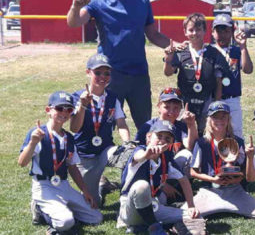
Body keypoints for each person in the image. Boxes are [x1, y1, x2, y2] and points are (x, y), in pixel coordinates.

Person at [67, 0, 171, 129]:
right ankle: (108, 156)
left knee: (144, 125)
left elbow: (153, 35)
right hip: (109, 76)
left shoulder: (142, 1)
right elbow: (74, 22)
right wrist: (75, 6)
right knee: (105, 125)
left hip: (139, 75)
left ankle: (144, 155)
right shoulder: (98, 1)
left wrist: (175, 45)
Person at [18, 91, 102, 234]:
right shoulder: (38, 133)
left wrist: (85, 191)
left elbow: (72, 166)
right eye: (59, 108)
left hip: (63, 184)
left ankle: (59, 210)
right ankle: (41, 210)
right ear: (48, 110)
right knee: (66, 221)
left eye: (68, 109)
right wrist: (32, 143)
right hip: (44, 186)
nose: (64, 112)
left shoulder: (68, 137)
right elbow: (22, 163)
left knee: (96, 217)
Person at [118, 119, 202, 234]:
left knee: (194, 216)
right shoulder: (140, 150)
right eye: (159, 136)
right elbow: (139, 157)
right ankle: (151, 227)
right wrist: (147, 154)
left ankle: (172, 227)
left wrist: (191, 206)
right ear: (148, 137)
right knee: (142, 186)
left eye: (167, 139)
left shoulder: (166, 159)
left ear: (171, 143)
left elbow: (184, 180)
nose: (162, 141)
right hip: (131, 209)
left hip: (154, 205)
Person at [70, 53, 130, 207]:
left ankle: (129, 195)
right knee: (94, 204)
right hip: (85, 155)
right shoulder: (77, 97)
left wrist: (128, 143)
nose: (103, 77)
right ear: (88, 72)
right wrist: (82, 106)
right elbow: (74, 129)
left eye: (107, 73)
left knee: (130, 157)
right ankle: (102, 186)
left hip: (105, 151)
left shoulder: (112, 97)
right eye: (98, 73)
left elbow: (121, 124)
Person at [188, 101, 255, 219]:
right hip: (209, 190)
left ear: (229, 119)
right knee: (186, 215)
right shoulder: (202, 143)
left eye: (223, 116)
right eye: (215, 117)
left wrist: (239, 178)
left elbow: (245, 171)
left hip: (234, 190)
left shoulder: (237, 141)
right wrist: (213, 179)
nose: (220, 120)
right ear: (209, 119)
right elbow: (193, 172)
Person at [164, 13, 229, 135]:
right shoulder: (180, 52)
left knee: (206, 134)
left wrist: (217, 103)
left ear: (205, 31)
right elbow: (168, 73)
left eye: (198, 30)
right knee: (184, 132)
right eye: (191, 30)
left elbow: (219, 81)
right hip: (185, 100)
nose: (194, 33)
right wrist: (168, 59)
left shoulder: (213, 53)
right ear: (185, 32)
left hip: (207, 100)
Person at [134, 87, 198, 179]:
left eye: (176, 108)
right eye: (166, 107)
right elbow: (137, 152)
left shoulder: (180, 126)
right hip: (152, 168)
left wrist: (191, 124)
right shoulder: (148, 126)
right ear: (159, 106)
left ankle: (178, 184)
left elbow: (190, 146)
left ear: (181, 109)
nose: (171, 112)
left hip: (172, 168)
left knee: (187, 154)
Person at [211, 14, 253, 139]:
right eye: (218, 30)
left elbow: (248, 69)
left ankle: (237, 158)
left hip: (232, 99)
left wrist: (243, 47)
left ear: (232, 32)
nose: (222, 34)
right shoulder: (208, 51)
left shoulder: (236, 50)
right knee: (215, 134)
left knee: (236, 134)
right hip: (213, 99)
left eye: (226, 31)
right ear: (212, 32)